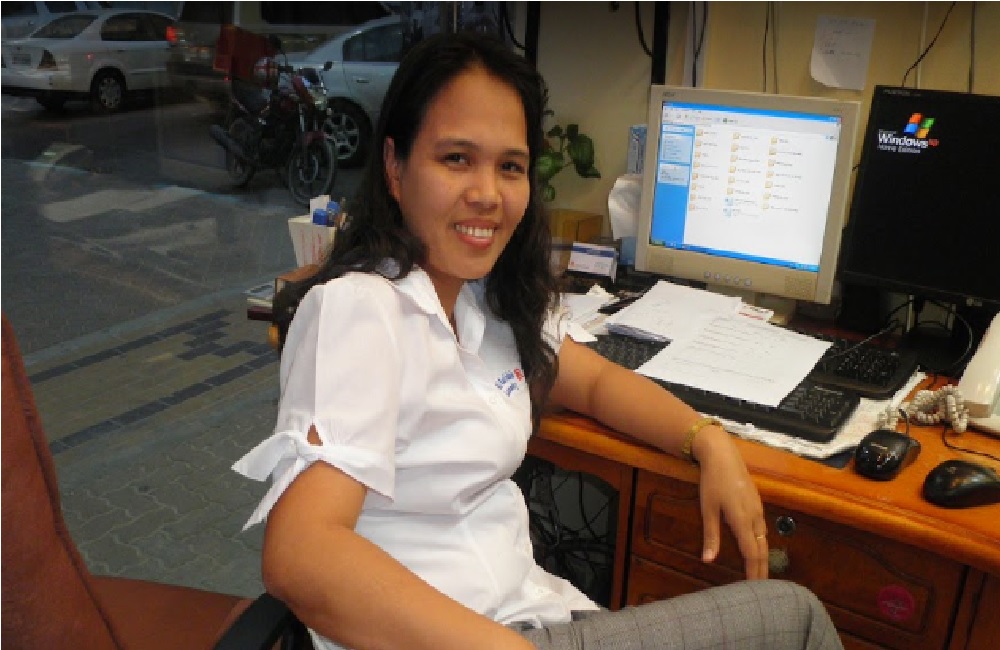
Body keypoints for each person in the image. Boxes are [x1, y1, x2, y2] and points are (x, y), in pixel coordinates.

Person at [234, 32, 844, 650]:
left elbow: (596, 383)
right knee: (794, 619)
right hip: (473, 639)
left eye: (510, 166)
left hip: (530, 613)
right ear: (395, 167)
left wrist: (707, 441)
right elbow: (302, 554)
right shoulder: (362, 310)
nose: (487, 194)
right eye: (456, 158)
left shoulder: (483, 299)